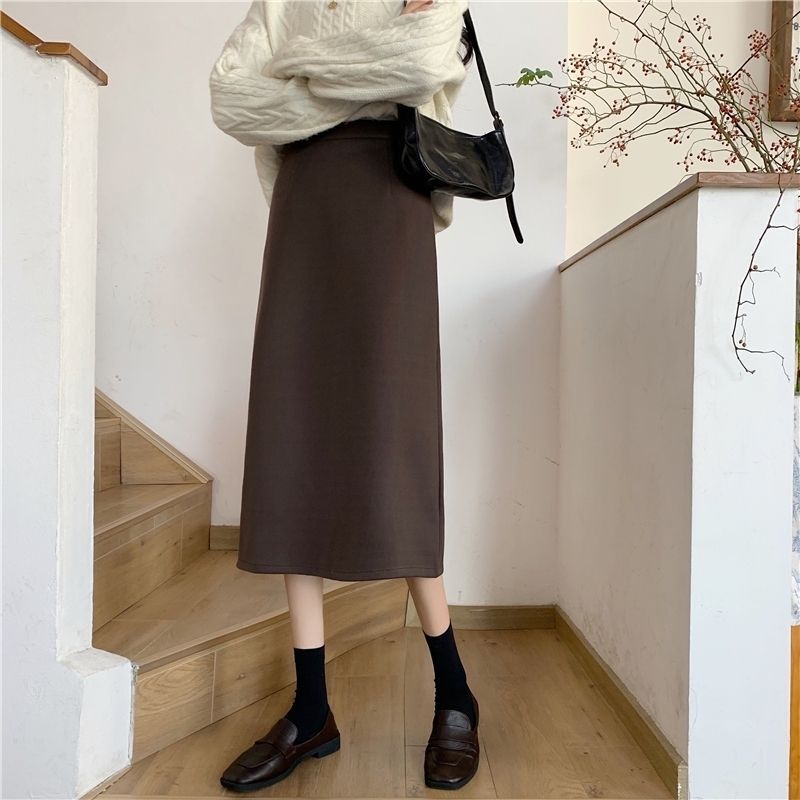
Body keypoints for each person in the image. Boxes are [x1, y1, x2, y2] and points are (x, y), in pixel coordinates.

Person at [208, 0, 478, 791]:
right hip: (305, 210)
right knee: (294, 433)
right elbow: (232, 99)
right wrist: (358, 77)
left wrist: (298, 72)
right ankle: (311, 709)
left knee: (395, 438)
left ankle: (454, 693)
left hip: (390, 202)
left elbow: (422, 61)